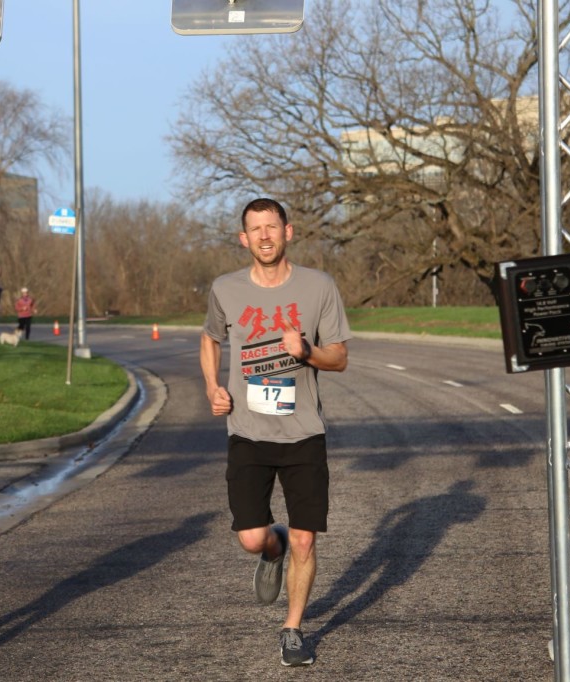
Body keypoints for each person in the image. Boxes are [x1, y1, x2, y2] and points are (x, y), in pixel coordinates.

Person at [200, 197, 351, 668]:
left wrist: (306, 350)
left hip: (304, 432)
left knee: (308, 539)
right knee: (251, 537)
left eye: (272, 226)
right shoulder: (225, 289)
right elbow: (209, 337)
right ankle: (274, 547)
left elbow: (340, 357)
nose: (265, 236)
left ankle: (292, 629)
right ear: (244, 239)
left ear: (289, 231)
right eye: (255, 229)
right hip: (248, 432)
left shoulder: (318, 286)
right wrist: (212, 386)